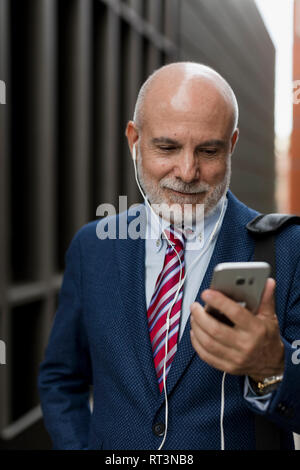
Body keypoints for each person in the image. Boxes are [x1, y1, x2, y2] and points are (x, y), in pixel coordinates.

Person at [38, 62, 300, 450]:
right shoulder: (92, 247)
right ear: (134, 140)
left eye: (208, 150)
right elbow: (61, 377)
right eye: (168, 147)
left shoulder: (288, 248)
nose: (188, 171)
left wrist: (273, 366)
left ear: (232, 145)